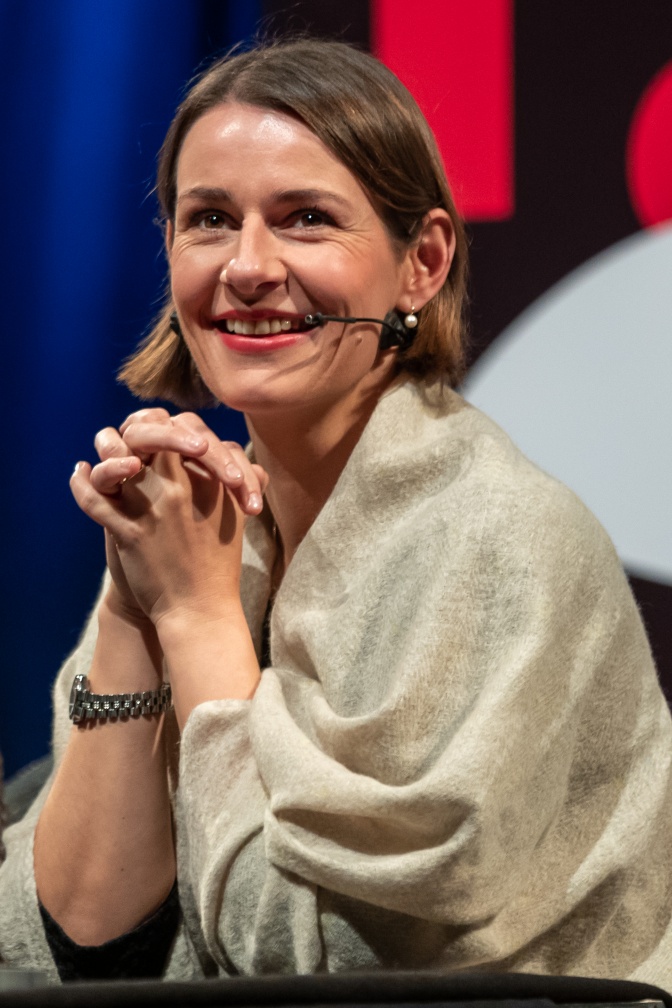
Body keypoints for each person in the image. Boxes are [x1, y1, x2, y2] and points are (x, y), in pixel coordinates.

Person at [1, 37, 672, 986]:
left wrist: (194, 621)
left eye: (305, 219)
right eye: (209, 221)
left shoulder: (500, 539)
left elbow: (317, 965)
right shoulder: (200, 531)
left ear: (421, 263)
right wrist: (132, 605)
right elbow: (72, 937)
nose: (247, 266)